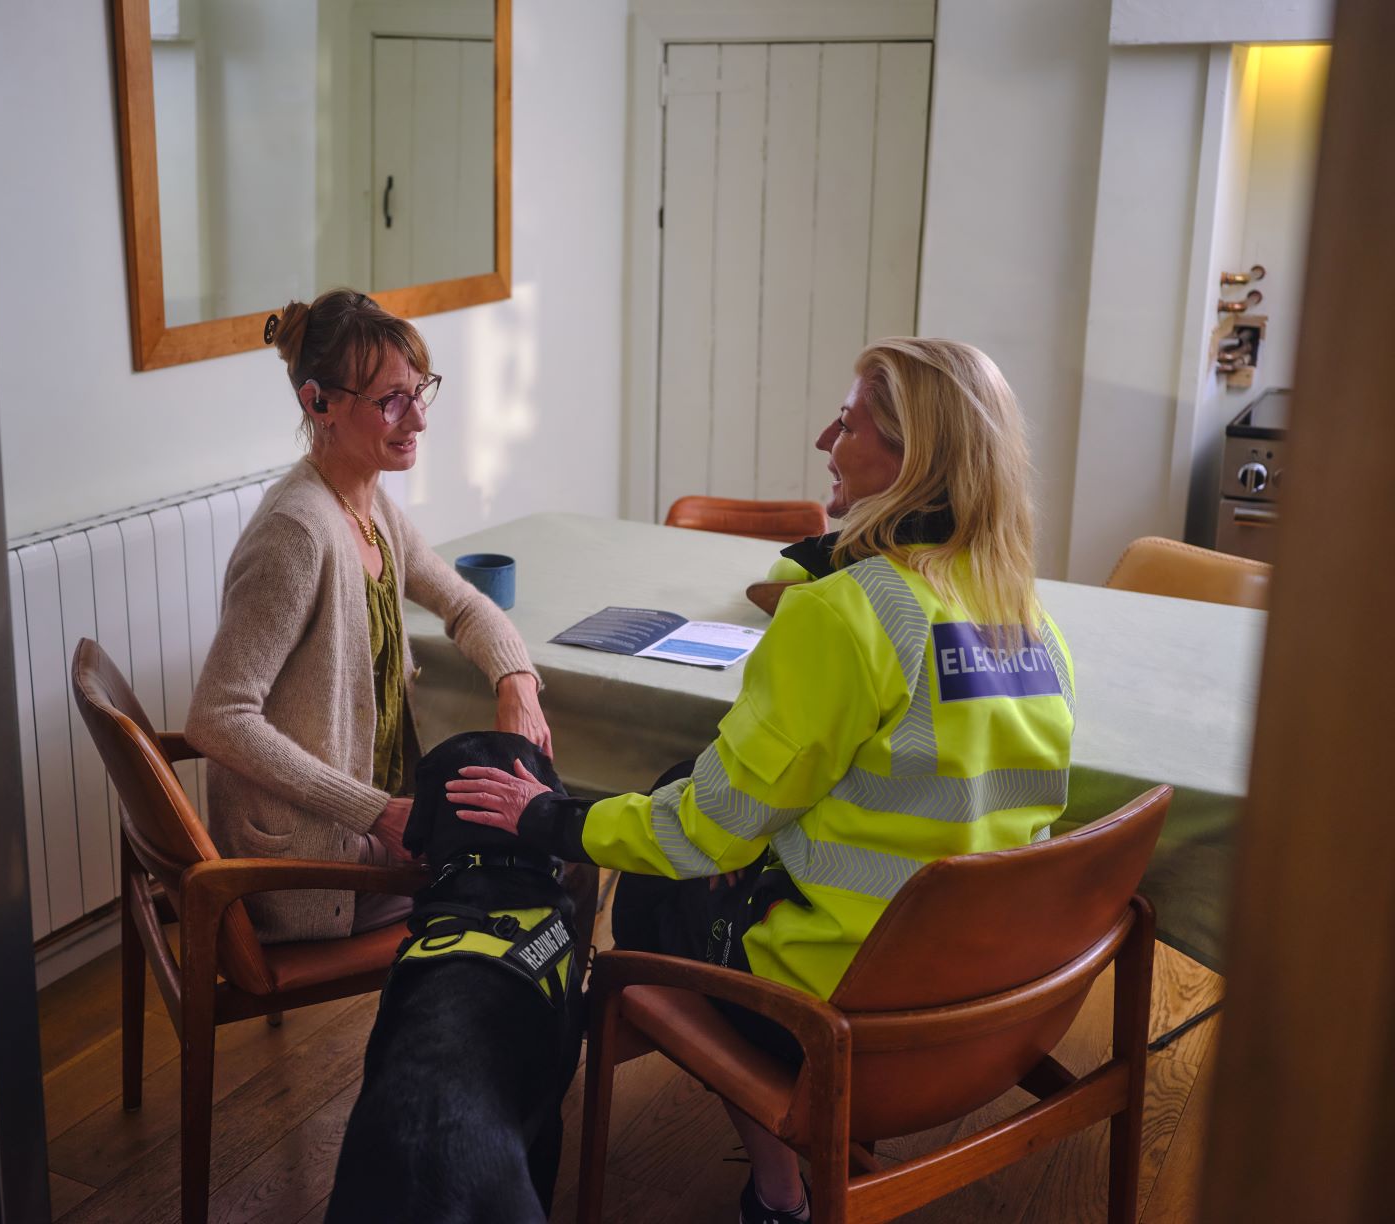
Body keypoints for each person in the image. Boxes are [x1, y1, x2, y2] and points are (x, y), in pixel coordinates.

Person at [446, 338, 1076, 1224]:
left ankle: (779, 1195)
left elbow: (702, 831)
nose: (827, 437)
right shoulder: (1025, 615)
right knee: (694, 794)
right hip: (988, 1009)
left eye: (849, 421)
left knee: (656, 898)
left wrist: (551, 819)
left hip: (848, 1022)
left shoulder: (847, 617)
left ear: (911, 459)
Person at [187, 288, 551, 944]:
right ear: (317, 404)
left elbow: (466, 603)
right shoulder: (297, 533)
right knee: (546, 864)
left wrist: (516, 682)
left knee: (535, 837)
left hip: (368, 829)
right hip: (316, 865)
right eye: (390, 401)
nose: (417, 420)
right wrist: (375, 811)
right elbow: (217, 718)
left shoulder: (368, 505)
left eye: (420, 391)